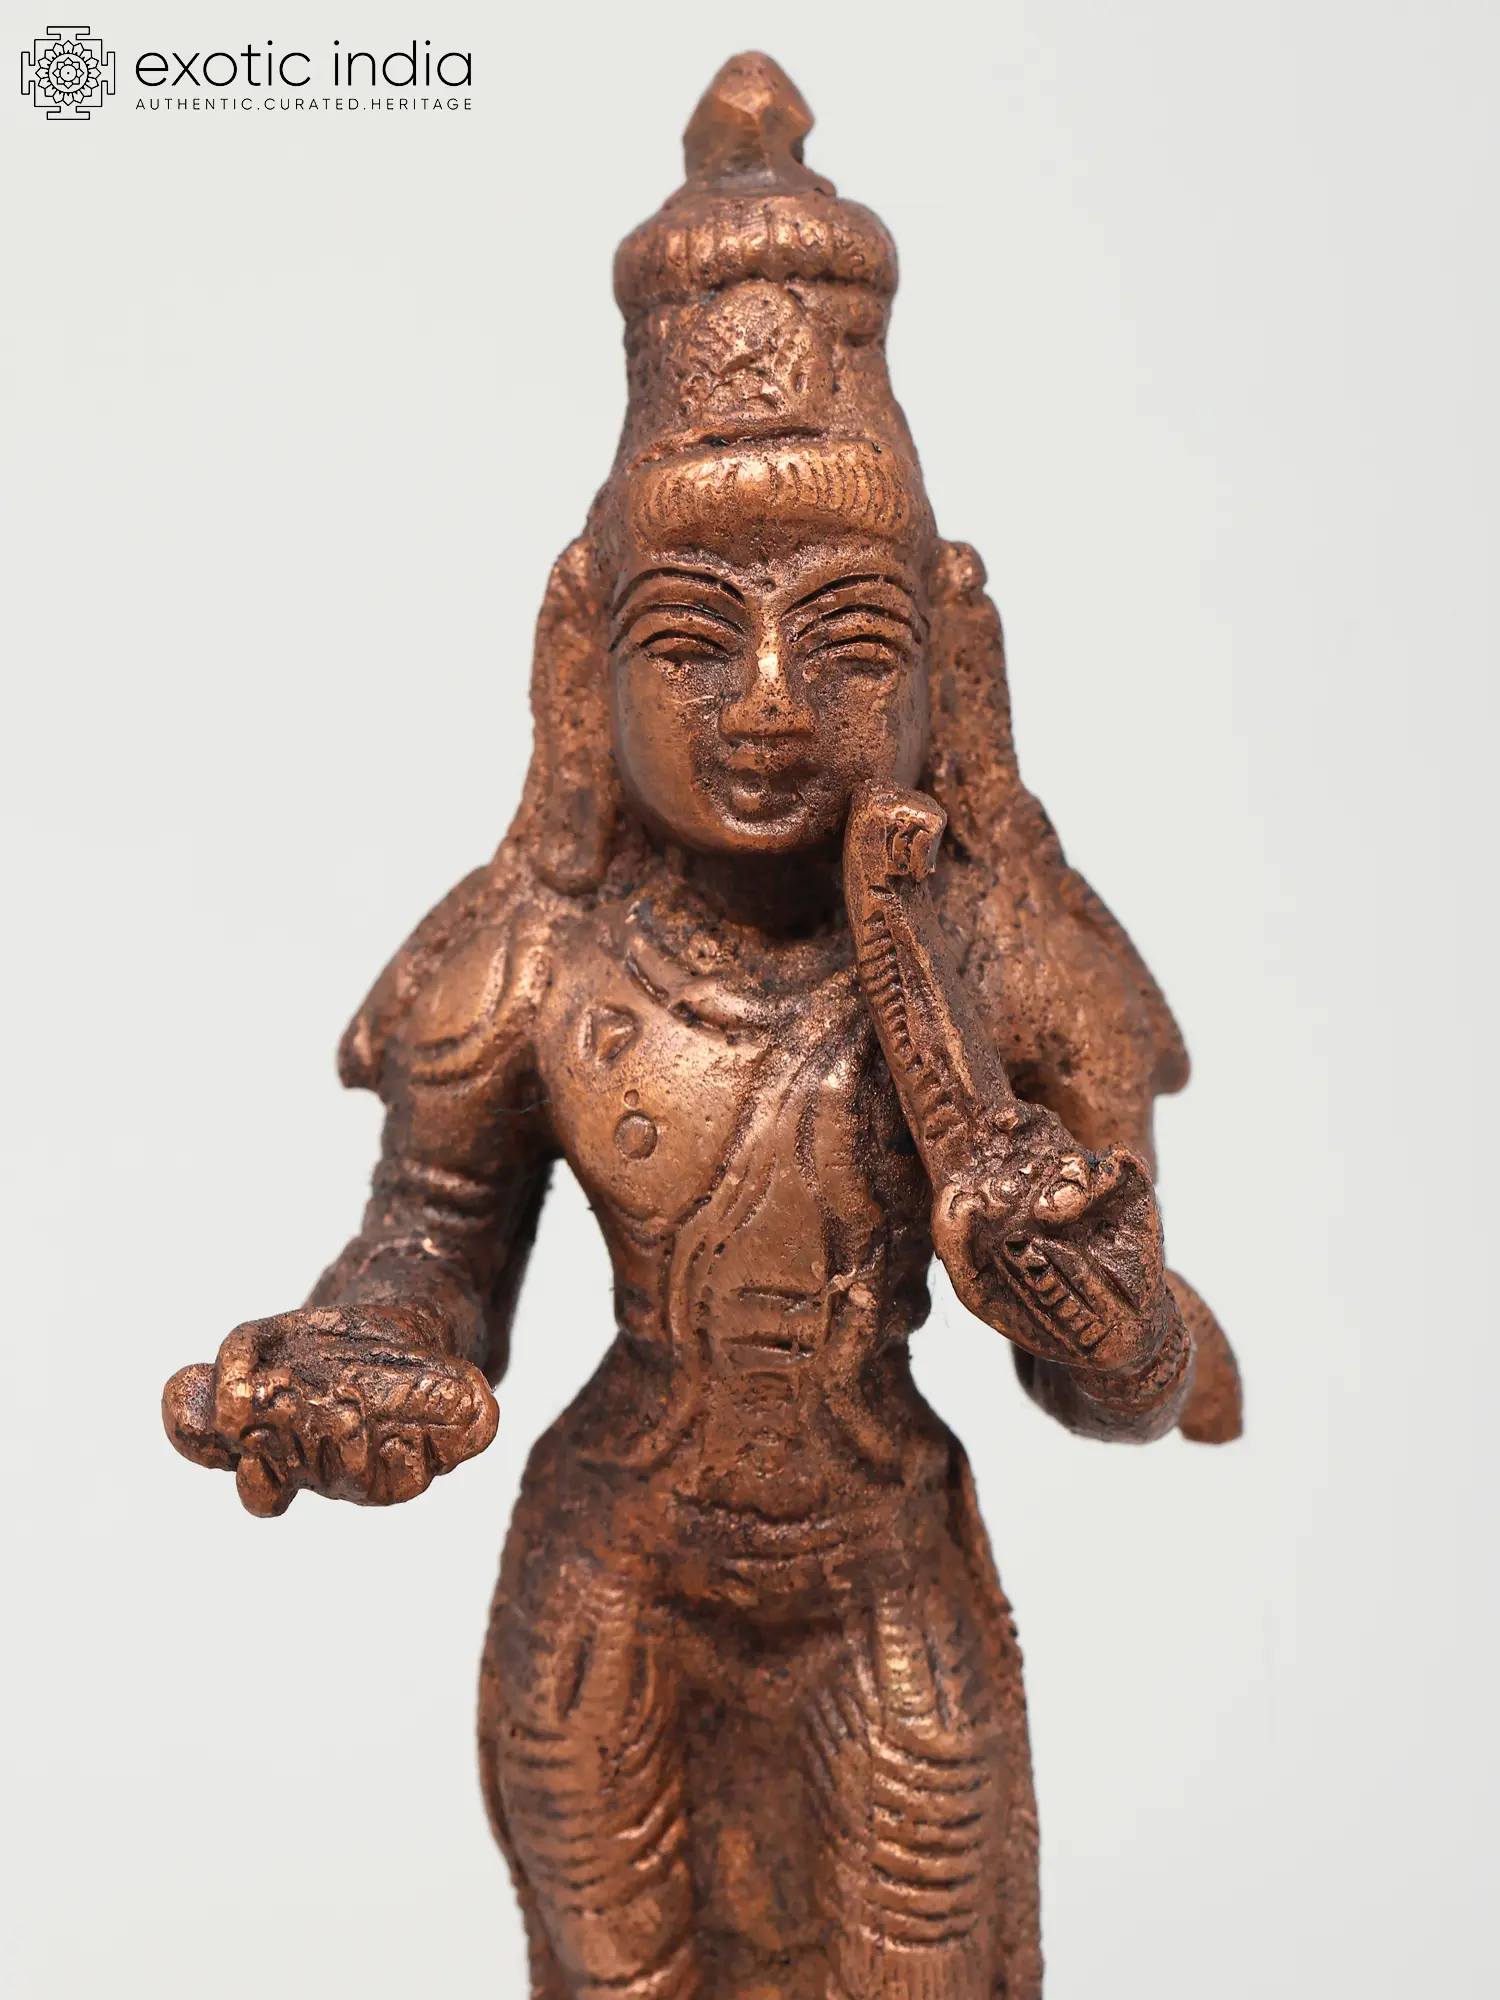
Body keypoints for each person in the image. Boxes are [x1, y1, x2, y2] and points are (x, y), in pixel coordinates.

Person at [164, 53, 1240, 2000]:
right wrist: (355, 1372)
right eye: (686, 639)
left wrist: (1094, 1307)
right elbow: (432, 1257)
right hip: (618, 1574)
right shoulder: (531, 959)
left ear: (953, 655)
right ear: (579, 652)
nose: (765, 705)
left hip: (881, 1566)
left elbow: (1132, 1387)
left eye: (846, 638)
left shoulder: (1014, 962)